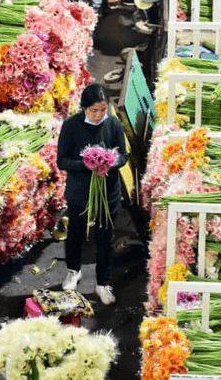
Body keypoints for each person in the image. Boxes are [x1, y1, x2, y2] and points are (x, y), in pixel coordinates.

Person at [56, 83, 128, 305]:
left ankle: (103, 283)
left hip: (108, 194)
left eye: (103, 109)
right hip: (79, 194)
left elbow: (123, 156)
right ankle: (73, 271)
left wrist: (110, 161)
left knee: (104, 239)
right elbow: (62, 161)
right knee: (76, 235)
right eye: (94, 110)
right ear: (84, 108)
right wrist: (85, 164)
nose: (98, 115)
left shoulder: (114, 124)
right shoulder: (71, 126)